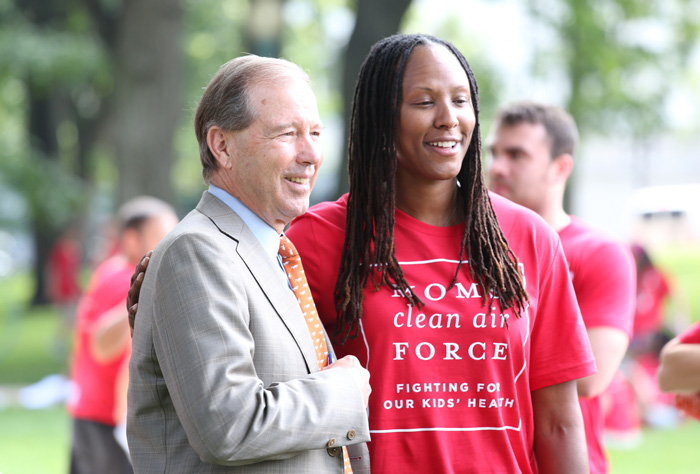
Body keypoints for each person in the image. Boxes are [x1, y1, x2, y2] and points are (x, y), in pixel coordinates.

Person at [128, 35, 594, 473]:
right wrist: (158, 301)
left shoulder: (527, 238)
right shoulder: (311, 240)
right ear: (381, 116)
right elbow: (236, 343)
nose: (449, 117)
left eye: (460, 99)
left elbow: (559, 421)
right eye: (424, 101)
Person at [127, 55, 371, 474]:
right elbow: (229, 425)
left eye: (315, 132)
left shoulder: (274, 254)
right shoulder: (197, 253)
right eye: (288, 133)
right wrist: (345, 390)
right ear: (221, 146)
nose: (311, 153)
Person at [487, 102, 636, 474]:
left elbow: (590, 377)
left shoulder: (599, 253)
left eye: (516, 155)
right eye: (493, 153)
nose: (497, 167)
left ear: (561, 167)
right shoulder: (471, 249)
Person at [68, 196, 178, 474]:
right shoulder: (123, 279)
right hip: (104, 418)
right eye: (161, 236)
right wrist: (140, 296)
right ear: (131, 239)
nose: (170, 243)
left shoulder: (113, 272)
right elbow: (100, 345)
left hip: (95, 414)